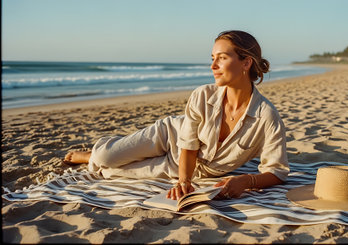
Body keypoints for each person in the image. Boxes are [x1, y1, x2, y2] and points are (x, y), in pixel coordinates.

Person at [63, 30, 289, 201]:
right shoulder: (202, 95)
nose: (213, 65)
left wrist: (246, 180)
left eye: (222, 58)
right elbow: (189, 145)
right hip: (169, 137)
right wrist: (184, 181)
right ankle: (94, 152)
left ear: (246, 63)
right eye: (212, 57)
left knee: (112, 173)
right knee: (104, 158)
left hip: (188, 167)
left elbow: (277, 171)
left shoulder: (266, 117)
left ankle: (99, 157)